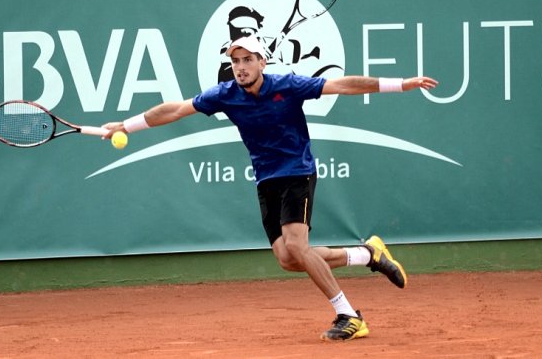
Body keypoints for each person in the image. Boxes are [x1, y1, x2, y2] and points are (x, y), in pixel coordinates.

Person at [102, 35, 439, 341]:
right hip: (267, 180)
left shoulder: (288, 86)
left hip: (297, 172)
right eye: (235, 61)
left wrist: (402, 84)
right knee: (289, 259)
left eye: (247, 59)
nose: (240, 67)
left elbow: (344, 85)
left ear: (262, 62)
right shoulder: (225, 95)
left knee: (297, 243)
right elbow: (174, 109)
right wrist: (127, 126)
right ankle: (368, 254)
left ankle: (348, 315)